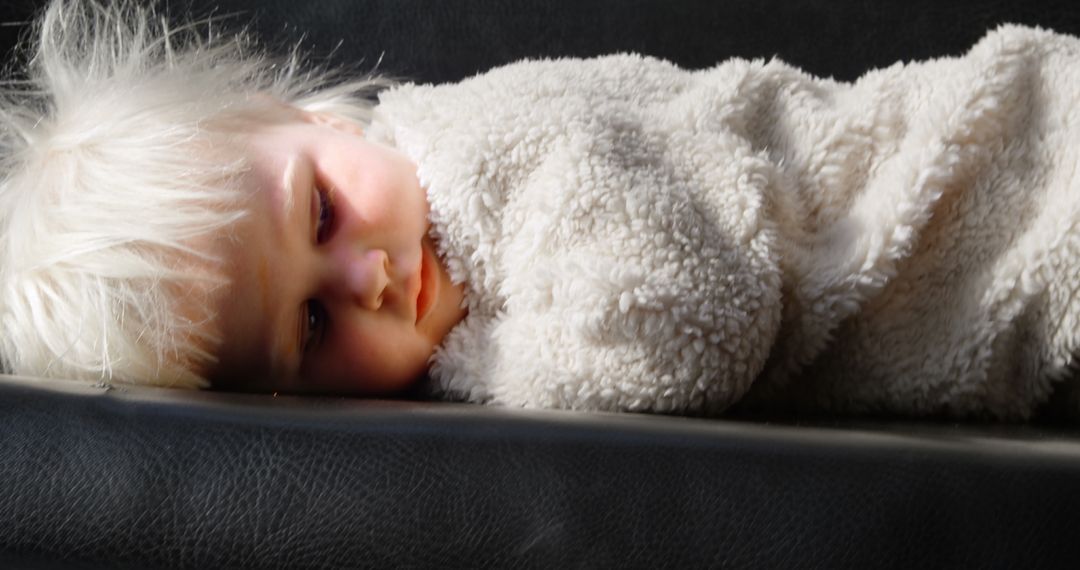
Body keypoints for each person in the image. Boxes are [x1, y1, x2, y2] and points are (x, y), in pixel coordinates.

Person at [3, 0, 1079, 420]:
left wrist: (482, 374)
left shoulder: (502, 147)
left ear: (304, 120)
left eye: (321, 217)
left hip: (1020, 181)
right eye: (311, 329)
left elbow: (688, 318)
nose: (364, 279)